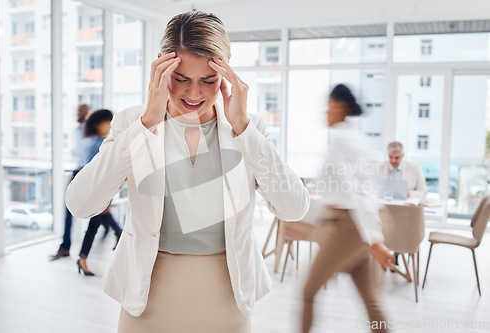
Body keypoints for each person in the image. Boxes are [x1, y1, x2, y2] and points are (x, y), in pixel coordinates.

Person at [66, 11, 309, 332]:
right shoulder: (131, 123)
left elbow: (293, 209)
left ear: (226, 70)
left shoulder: (247, 129)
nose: (194, 94)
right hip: (147, 296)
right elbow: (82, 204)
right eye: (180, 78)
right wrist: (146, 124)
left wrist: (244, 130)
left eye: (208, 80)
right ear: (161, 67)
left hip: (227, 294)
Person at [301, 84, 395, 333]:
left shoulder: (344, 140)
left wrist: (374, 241)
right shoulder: (353, 137)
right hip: (349, 226)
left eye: (328, 106)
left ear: (339, 107)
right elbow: (349, 187)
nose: (325, 112)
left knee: (308, 292)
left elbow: (358, 194)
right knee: (371, 301)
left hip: (349, 228)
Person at [76, 109, 123, 276]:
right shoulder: (97, 144)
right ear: (99, 124)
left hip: (101, 193)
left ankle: (82, 259)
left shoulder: (99, 142)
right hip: (96, 193)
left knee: (94, 226)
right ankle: (119, 234)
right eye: (108, 122)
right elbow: (94, 174)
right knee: (94, 225)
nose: (111, 126)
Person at [50, 104, 91, 260]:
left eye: (82, 111)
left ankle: (116, 231)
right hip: (77, 171)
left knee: (100, 213)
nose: (79, 113)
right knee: (68, 208)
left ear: (88, 114)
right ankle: (65, 247)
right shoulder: (76, 131)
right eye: (78, 111)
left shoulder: (91, 131)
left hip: (88, 173)